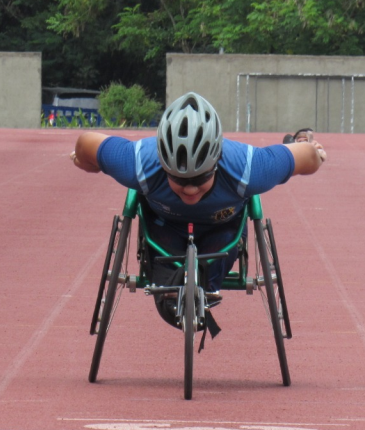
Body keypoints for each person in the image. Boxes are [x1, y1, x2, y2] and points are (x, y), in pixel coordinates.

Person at [72, 91, 326, 329]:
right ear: (162, 164)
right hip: (164, 227)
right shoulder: (139, 163)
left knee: (208, 275)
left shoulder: (250, 169)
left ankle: (201, 289)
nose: (190, 190)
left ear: (216, 162)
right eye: (180, 180)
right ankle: (172, 293)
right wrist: (86, 163)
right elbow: (85, 144)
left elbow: (307, 157)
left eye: (200, 179)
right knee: (168, 293)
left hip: (222, 229)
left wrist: (313, 152)